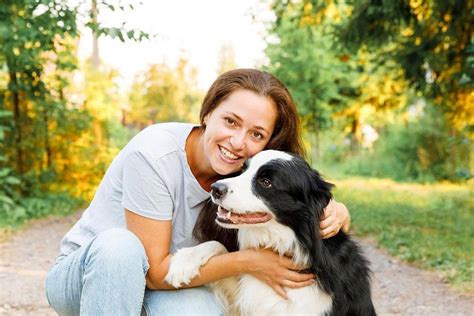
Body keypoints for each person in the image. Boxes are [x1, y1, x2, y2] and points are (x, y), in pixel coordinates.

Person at [45, 69, 351, 315]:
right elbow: (155, 272)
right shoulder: (154, 154)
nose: (238, 142)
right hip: (93, 278)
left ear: (268, 144)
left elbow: (296, 189)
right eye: (230, 121)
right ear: (207, 113)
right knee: (119, 246)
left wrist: (335, 209)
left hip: (165, 287)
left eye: (256, 134)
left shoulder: (244, 177)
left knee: (203, 309)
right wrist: (250, 261)